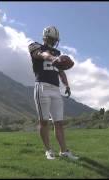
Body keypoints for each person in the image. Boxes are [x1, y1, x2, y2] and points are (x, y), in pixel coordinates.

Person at [28, 26, 78, 160]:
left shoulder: (57, 52)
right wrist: (52, 58)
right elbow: (42, 54)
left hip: (55, 89)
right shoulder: (35, 46)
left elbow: (61, 71)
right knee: (44, 121)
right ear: (45, 37)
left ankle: (64, 151)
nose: (53, 41)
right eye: (51, 38)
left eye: (54, 39)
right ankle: (48, 150)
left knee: (59, 122)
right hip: (42, 86)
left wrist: (66, 84)